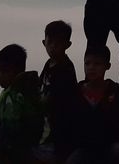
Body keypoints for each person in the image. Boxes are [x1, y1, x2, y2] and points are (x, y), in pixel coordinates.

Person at [0, 44, 44, 163]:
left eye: (4, 71)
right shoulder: (26, 87)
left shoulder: (14, 95)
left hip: (21, 144)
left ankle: (5, 159)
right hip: (24, 134)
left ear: (17, 72)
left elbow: (12, 128)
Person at [65, 45, 119, 164]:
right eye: (87, 63)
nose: (91, 68)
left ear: (107, 66)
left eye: (97, 64)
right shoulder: (76, 92)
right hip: (84, 148)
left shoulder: (114, 91)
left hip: (108, 145)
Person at [39, 21, 78, 160]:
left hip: (60, 129)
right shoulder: (48, 64)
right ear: (44, 42)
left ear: (67, 45)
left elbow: (61, 99)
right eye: (50, 42)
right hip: (46, 124)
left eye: (58, 43)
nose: (53, 47)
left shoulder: (66, 68)